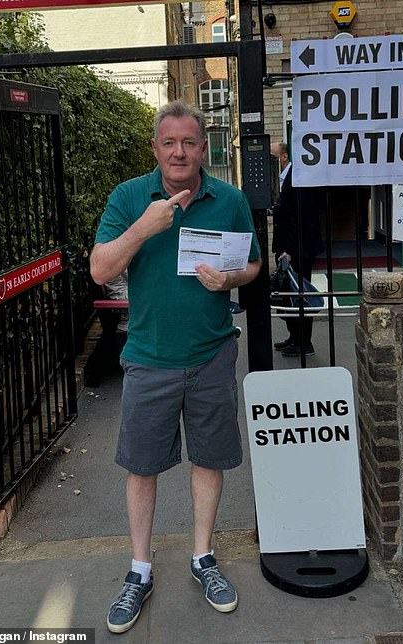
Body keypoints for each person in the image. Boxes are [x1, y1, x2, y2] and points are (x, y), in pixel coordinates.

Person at [90, 100, 262, 634]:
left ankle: (202, 558)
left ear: (203, 148)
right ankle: (139, 570)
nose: (180, 152)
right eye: (170, 143)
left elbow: (254, 262)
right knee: (141, 467)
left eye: (190, 143)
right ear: (155, 148)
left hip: (212, 354)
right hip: (148, 356)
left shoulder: (229, 199)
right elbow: (100, 268)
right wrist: (144, 226)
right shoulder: (130, 198)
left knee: (208, 460)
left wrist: (231, 280)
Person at [270, 141, 323, 357]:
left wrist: (289, 250)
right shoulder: (282, 179)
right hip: (285, 247)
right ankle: (294, 338)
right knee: (288, 295)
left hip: (297, 249)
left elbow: (300, 219)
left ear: (283, 158)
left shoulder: (297, 179)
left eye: (271, 157)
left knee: (299, 295)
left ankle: (304, 343)